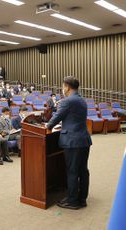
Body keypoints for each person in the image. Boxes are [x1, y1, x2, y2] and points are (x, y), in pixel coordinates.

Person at [46, 76, 92, 210]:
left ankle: (72, 201)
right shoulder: (82, 100)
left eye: (63, 86)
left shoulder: (67, 101)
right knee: (83, 170)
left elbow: (56, 117)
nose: (62, 89)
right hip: (83, 140)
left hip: (72, 142)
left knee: (72, 171)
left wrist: (47, 126)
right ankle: (82, 198)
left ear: (67, 86)